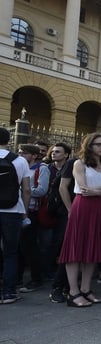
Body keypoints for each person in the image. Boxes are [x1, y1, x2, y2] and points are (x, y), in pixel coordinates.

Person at [58, 133, 101, 307]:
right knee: (75, 249)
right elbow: (83, 188)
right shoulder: (79, 163)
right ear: (89, 145)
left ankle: (86, 289)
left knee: (92, 249)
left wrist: (98, 191)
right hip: (82, 207)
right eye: (99, 144)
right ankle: (73, 293)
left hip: (98, 207)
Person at [0, 128, 31, 304]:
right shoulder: (19, 160)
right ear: (9, 139)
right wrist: (24, 211)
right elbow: (26, 190)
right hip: (12, 211)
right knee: (11, 252)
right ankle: (9, 293)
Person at [17, 144, 50, 293]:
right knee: (18, 246)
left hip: (31, 210)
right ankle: (18, 277)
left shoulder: (41, 169)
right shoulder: (21, 166)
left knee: (30, 246)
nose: (21, 155)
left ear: (34, 155)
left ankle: (36, 278)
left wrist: (25, 190)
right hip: (18, 209)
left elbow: (42, 190)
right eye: (20, 152)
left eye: (24, 153)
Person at [48, 155, 76, 303]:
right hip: (69, 212)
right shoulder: (73, 162)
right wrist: (70, 210)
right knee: (68, 250)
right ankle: (57, 287)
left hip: (89, 211)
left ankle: (70, 287)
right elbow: (62, 187)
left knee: (79, 251)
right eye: (98, 144)